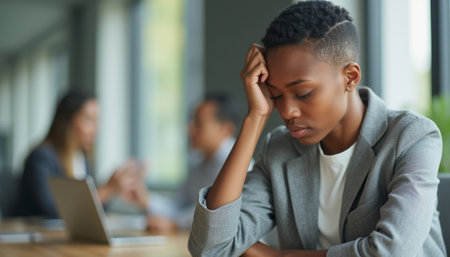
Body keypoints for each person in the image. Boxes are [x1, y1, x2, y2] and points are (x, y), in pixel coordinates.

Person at [188, 1, 446, 257]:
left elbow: (392, 253)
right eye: (276, 95)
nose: (287, 111)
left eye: (303, 93)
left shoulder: (410, 137)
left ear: (350, 77)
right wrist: (255, 117)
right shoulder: (279, 149)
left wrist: (281, 256)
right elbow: (209, 247)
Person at [21, 91, 144, 218]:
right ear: (68, 122)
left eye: (96, 120)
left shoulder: (81, 159)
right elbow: (55, 212)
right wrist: (107, 190)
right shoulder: (41, 158)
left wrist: (114, 188)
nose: (95, 130)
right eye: (89, 120)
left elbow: (94, 210)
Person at [130, 94, 241, 233]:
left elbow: (216, 212)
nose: (190, 129)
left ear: (226, 129)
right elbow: (178, 207)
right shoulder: (199, 164)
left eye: (198, 123)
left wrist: (175, 224)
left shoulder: (238, 166)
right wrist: (144, 198)